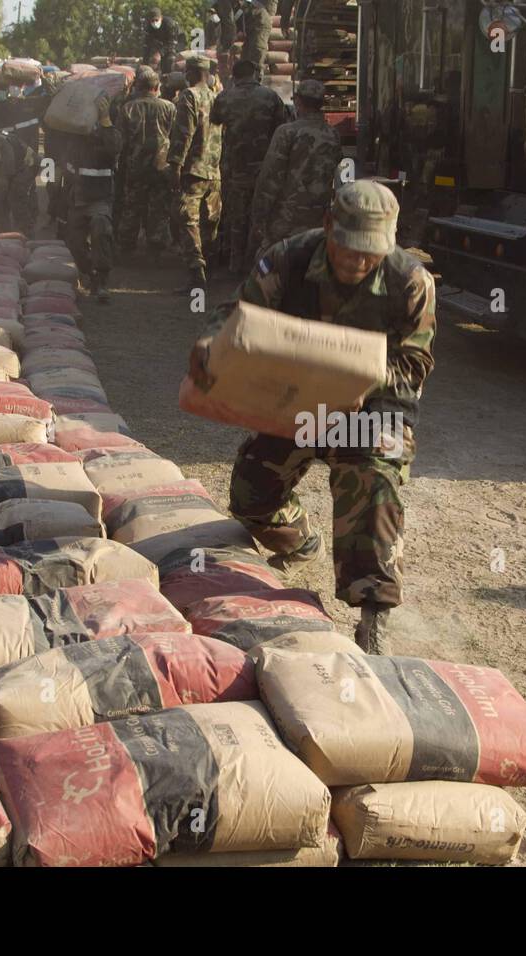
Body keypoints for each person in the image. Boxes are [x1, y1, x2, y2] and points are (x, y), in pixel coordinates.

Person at [188, 181, 436, 653]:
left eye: (370, 253)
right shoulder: (288, 260)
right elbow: (239, 313)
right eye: (349, 248)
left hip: (372, 406)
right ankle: (301, 542)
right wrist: (210, 342)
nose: (358, 262)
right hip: (300, 399)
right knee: (250, 494)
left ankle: (373, 615)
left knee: (375, 478)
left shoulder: (411, 282)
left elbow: (414, 366)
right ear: (327, 227)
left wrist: (354, 376)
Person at [247, 78, 341, 265]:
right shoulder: (333, 134)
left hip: (286, 220)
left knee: (271, 267)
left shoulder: (287, 132)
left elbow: (270, 178)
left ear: (298, 100)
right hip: (318, 218)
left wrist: (258, 216)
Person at [210, 58, 286, 275]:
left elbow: (215, 120)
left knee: (236, 217)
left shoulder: (225, 97)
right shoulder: (270, 97)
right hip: (263, 168)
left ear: (234, 76)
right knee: (261, 217)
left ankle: (234, 265)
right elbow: (281, 126)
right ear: (254, 73)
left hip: (233, 168)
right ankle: (258, 266)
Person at [166, 55, 222, 292]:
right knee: (210, 221)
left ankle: (196, 272)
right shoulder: (218, 97)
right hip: (214, 170)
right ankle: (211, 272)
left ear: (190, 73)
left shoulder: (189, 96)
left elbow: (183, 134)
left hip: (193, 170)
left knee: (187, 220)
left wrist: (175, 165)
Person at [65, 94, 123, 302]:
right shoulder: (77, 138)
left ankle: (101, 279)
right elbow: (67, 166)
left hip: (100, 197)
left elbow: (115, 147)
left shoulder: (108, 134)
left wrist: (106, 120)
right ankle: (89, 273)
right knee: (75, 244)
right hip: (78, 198)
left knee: (101, 232)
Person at [118, 67, 176, 260]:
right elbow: (176, 138)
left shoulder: (128, 108)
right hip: (162, 166)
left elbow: (120, 141)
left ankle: (126, 249)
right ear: (157, 86)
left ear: (138, 86)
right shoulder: (169, 107)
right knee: (158, 208)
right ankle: (156, 249)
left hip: (136, 167)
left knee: (132, 207)